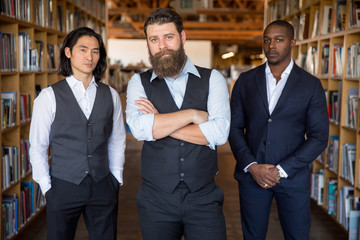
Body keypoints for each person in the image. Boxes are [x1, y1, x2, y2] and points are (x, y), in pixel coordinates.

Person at [126, 8, 230, 240]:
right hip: (156, 201)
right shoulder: (138, 82)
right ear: (148, 43)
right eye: (154, 39)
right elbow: (140, 129)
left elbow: (220, 133)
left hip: (204, 199)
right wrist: (193, 114)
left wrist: (160, 123)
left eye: (168, 37)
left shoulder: (213, 79)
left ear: (182, 37)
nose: (161, 45)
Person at [228, 20, 329, 240]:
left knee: (297, 236)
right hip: (252, 176)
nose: (271, 45)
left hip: (292, 178)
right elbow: (234, 128)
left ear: (292, 42)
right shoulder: (245, 81)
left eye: (279, 40)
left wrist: (281, 170)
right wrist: (252, 166)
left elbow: (319, 137)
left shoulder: (310, 85)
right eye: (267, 40)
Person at [29, 27, 126, 240]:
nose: (89, 56)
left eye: (95, 51)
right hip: (62, 186)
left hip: (103, 185)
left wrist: (115, 178)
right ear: (68, 52)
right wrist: (47, 188)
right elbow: (37, 146)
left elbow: (117, 139)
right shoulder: (48, 96)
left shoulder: (110, 95)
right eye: (83, 49)